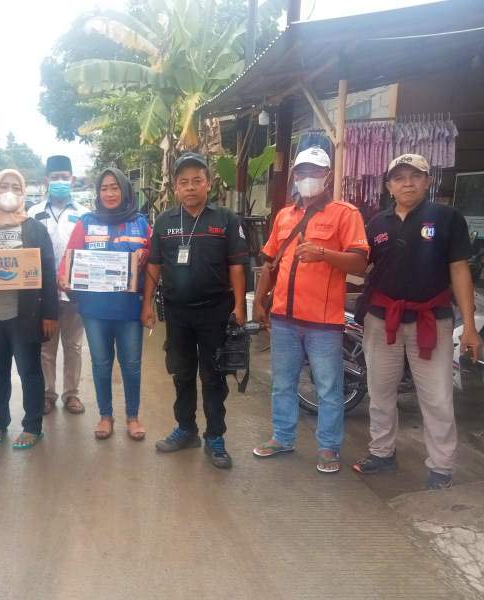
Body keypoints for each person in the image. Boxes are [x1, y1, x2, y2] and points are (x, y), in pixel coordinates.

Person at [353, 154, 482, 489]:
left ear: (428, 181)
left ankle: (441, 467)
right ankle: (381, 453)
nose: (407, 183)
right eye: (399, 178)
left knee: (437, 397)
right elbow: (360, 267)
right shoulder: (377, 223)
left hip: (431, 320)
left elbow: (458, 271)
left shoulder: (447, 217)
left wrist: (469, 326)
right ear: (388, 186)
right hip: (382, 322)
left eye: (415, 176)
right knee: (379, 392)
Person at [252, 147, 369, 473]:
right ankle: (282, 437)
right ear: (294, 176)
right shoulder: (284, 216)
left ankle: (329, 448)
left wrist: (323, 253)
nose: (307, 179)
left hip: (323, 323)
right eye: (302, 172)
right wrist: (260, 302)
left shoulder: (346, 214)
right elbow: (269, 263)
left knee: (329, 388)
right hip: (284, 319)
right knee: (282, 383)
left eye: (315, 172)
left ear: (327, 176)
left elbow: (360, 261)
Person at [141, 152, 248, 469]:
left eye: (197, 181)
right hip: (177, 314)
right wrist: (146, 303)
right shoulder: (164, 222)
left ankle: (215, 437)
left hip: (215, 312)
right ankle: (186, 429)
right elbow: (154, 266)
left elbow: (238, 266)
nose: (190, 187)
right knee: (182, 373)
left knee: (213, 376)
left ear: (209, 184)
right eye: (184, 182)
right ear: (175, 187)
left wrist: (240, 307)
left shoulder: (226, 220)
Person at [0, 169, 59, 450]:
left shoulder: (33, 229)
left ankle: (32, 426)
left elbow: (48, 272)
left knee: (29, 372)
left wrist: (50, 314)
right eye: (3, 185)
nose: (9, 190)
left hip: (25, 316)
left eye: (15, 186)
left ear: (23, 192)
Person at [58, 168, 150, 440]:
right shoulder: (86, 223)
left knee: (131, 364)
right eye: (104, 188)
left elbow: (156, 262)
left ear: (125, 190)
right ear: (98, 193)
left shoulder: (141, 223)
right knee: (101, 363)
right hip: (95, 310)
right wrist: (63, 276)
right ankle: (105, 416)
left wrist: (147, 255)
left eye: (115, 188)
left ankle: (132, 417)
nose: (109, 193)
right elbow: (69, 258)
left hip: (130, 309)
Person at [27, 155, 87, 415]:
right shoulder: (33, 212)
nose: (60, 181)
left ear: (72, 180)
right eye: (55, 178)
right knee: (45, 347)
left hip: (74, 292)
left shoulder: (84, 214)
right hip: (42, 294)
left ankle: (71, 394)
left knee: (73, 346)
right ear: (46, 181)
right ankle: (47, 394)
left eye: (64, 177)